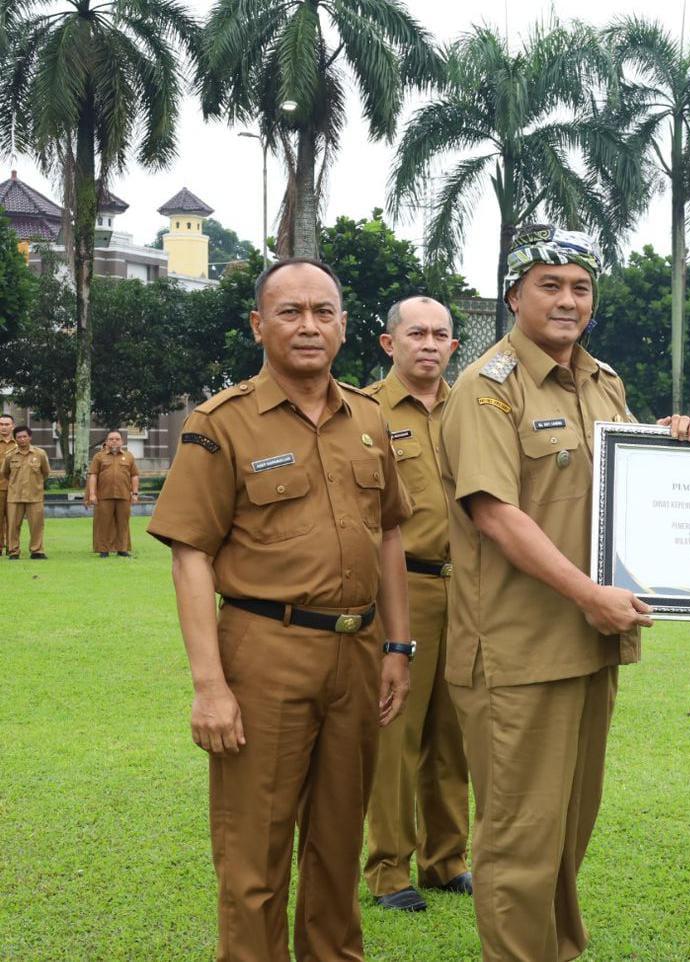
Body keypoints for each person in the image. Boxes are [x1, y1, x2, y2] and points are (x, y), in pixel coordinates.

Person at [441, 225, 690, 962]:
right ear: (514, 296)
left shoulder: (602, 382)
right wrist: (588, 592)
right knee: (520, 838)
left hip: (590, 642)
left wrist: (675, 441)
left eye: (580, 288)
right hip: (519, 650)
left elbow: (629, 487)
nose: (567, 300)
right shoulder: (488, 388)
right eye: (549, 285)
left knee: (566, 831)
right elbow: (494, 513)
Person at [147, 257, 415, 962]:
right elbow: (190, 555)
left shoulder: (370, 418)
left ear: (344, 326)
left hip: (357, 652)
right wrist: (210, 687)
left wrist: (398, 646)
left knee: (338, 846)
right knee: (254, 855)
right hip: (266, 651)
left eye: (323, 312)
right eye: (290, 312)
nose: (308, 326)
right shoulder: (223, 423)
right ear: (258, 324)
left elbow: (390, 532)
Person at [362, 295, 473, 912]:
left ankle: (446, 860)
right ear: (389, 343)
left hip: (473, 589)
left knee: (455, 734)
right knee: (396, 733)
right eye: (416, 334)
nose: (429, 344)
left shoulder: (477, 408)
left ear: (454, 346)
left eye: (440, 335)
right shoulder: (364, 410)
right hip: (403, 587)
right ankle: (389, 870)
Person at [88, 429, 140, 557]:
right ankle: (103, 549)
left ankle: (122, 549)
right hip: (104, 496)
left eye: (117, 439)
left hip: (124, 495)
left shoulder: (129, 456)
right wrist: (92, 494)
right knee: (103, 523)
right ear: (106, 442)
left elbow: (134, 475)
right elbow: (93, 475)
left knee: (123, 523)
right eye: (111, 439)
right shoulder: (99, 457)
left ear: (122, 441)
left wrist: (135, 493)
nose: (114, 441)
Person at [3, 425, 48, 559]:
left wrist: (36, 485)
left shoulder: (40, 454)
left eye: (24, 436)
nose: (22, 439)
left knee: (36, 526)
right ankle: (13, 551)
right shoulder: (10, 455)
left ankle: (37, 551)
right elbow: (5, 473)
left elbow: (45, 472)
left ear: (30, 437)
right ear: (15, 439)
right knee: (13, 526)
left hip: (34, 496)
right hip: (15, 497)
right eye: (19, 437)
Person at [0, 414, 17, 550]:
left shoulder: (20, 443)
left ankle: (12, 548)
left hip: (15, 488)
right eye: (1, 424)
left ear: (13, 426)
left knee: (13, 520)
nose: (4, 427)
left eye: (7, 424)